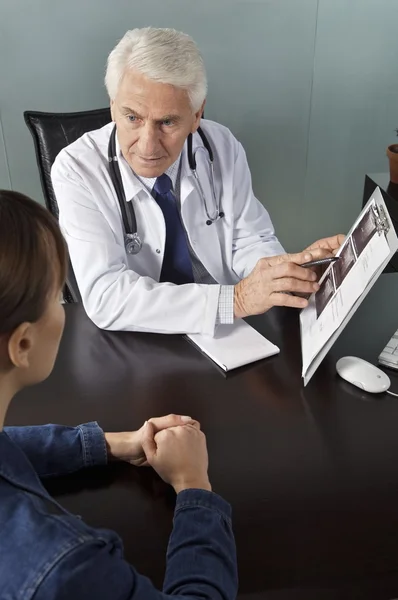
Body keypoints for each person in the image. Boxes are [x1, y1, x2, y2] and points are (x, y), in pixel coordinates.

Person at [0, 189, 237, 598]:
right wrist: (193, 484)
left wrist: (110, 444)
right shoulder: (63, 567)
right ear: (22, 345)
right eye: (58, 296)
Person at [52, 27, 344, 335]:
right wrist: (237, 300)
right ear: (113, 106)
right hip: (133, 342)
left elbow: (249, 240)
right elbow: (106, 296)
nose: (148, 144)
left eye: (167, 122)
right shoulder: (76, 169)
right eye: (132, 118)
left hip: (225, 336)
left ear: (196, 115)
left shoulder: (221, 146)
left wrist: (285, 275)